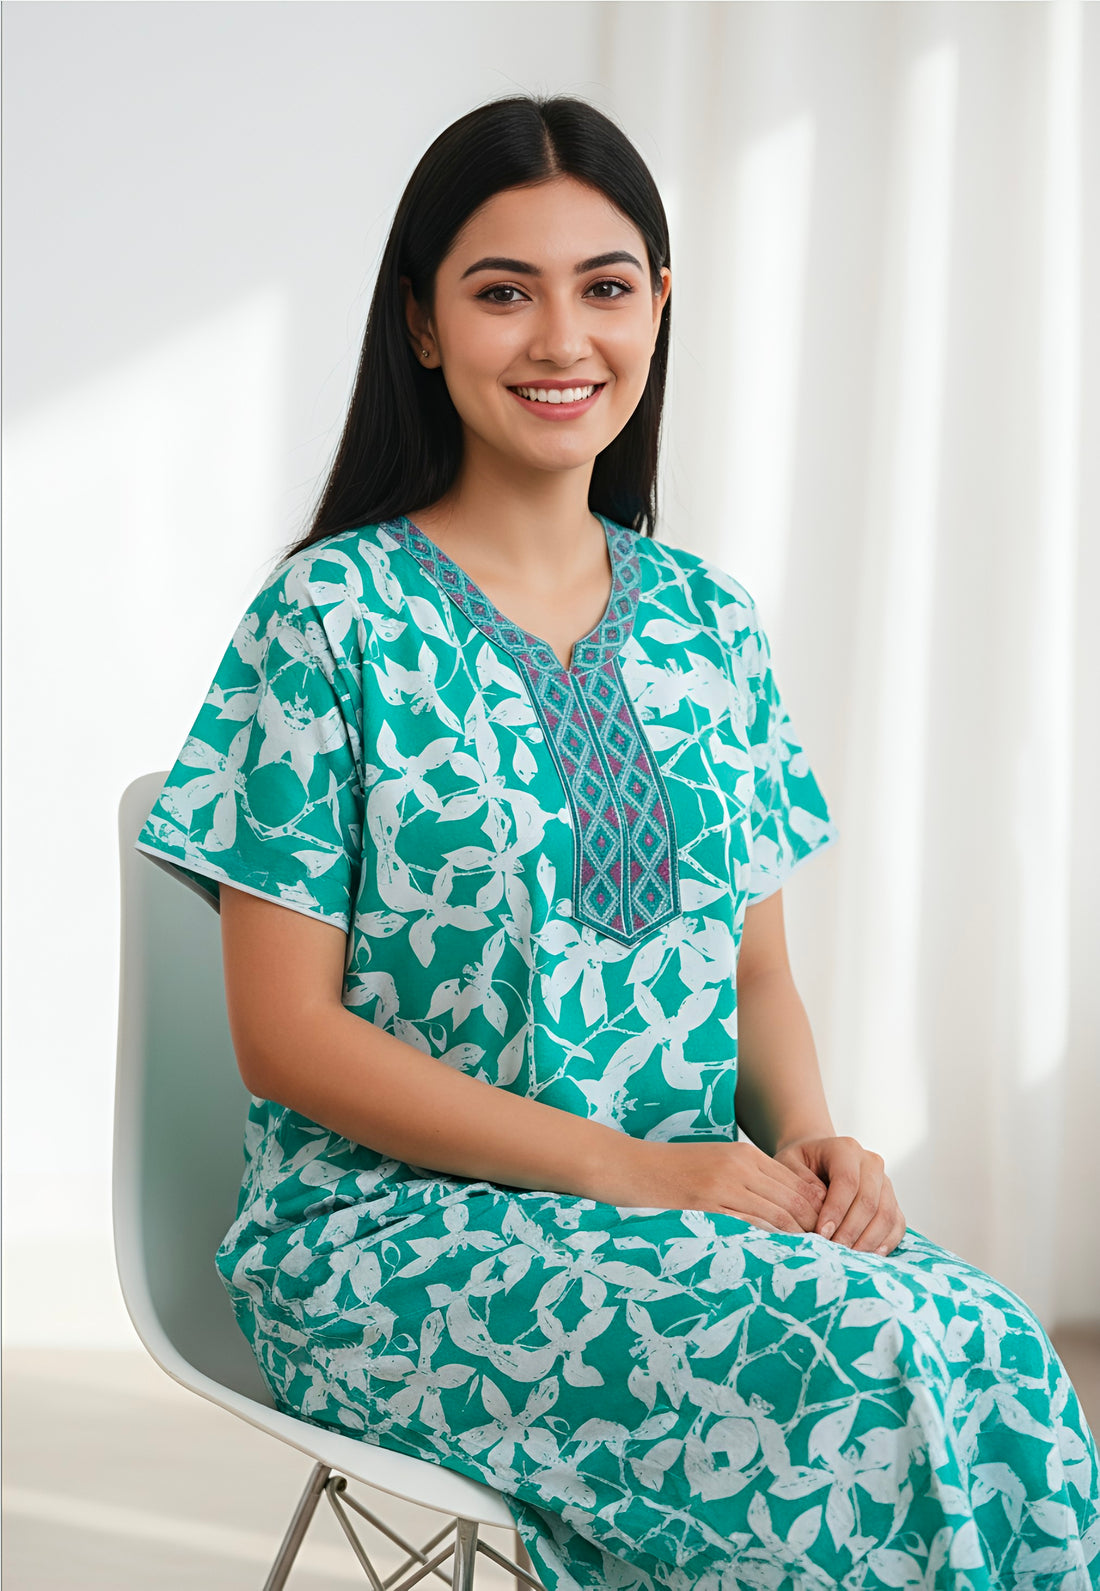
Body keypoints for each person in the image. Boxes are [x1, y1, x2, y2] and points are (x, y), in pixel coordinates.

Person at [134, 92, 1099, 1591]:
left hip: (690, 1218)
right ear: (422, 323)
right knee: (852, 1369)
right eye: (502, 292)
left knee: (990, 1349)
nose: (562, 338)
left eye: (604, 286)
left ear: (658, 306)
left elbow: (755, 975)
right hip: (386, 1247)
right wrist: (629, 1170)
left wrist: (814, 1146)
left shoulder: (713, 621)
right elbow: (285, 1038)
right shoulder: (326, 620)